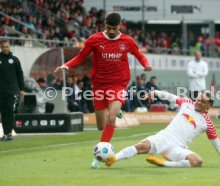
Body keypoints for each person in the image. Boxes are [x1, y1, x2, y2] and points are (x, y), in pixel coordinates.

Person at [54, 12, 152, 168]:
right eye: (109, 28)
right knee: (100, 125)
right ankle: (114, 109)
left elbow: (139, 55)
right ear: (105, 24)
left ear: (120, 25)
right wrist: (66, 65)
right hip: (99, 85)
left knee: (111, 119)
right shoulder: (94, 39)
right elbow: (81, 56)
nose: (112, 31)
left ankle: (99, 155)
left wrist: (145, 64)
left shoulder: (127, 41)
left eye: (114, 28)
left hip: (118, 84)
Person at [105, 90, 220, 168]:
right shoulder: (187, 103)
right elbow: (169, 96)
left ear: (209, 105)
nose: (198, 102)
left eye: (202, 102)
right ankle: (114, 158)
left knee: (197, 161)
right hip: (164, 137)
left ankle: (165, 163)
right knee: (142, 146)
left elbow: (218, 145)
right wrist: (155, 92)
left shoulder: (208, 123)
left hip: (178, 148)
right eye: (198, 99)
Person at [0, 40, 24, 141]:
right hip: (1, 91)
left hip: (12, 90)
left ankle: (8, 133)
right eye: (3, 47)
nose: (5, 48)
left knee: (9, 110)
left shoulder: (15, 60)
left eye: (7, 47)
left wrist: (22, 89)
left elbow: (20, 74)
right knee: (3, 112)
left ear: (9, 47)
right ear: (1, 47)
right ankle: (5, 133)